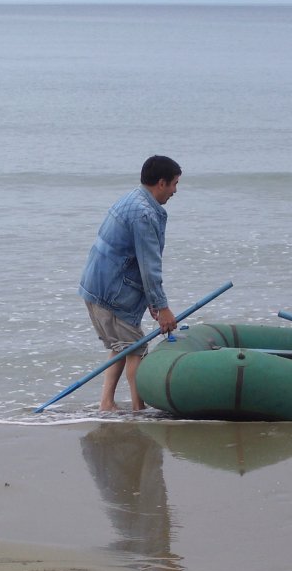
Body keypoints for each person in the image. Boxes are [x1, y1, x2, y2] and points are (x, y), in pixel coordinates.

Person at [79, 155, 181, 411]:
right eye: (174, 184)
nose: (175, 191)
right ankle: (139, 409)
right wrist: (162, 306)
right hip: (112, 292)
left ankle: (106, 404)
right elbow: (150, 265)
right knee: (136, 349)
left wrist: (149, 299)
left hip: (96, 286)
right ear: (161, 183)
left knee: (122, 346)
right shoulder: (143, 214)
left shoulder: (132, 199)